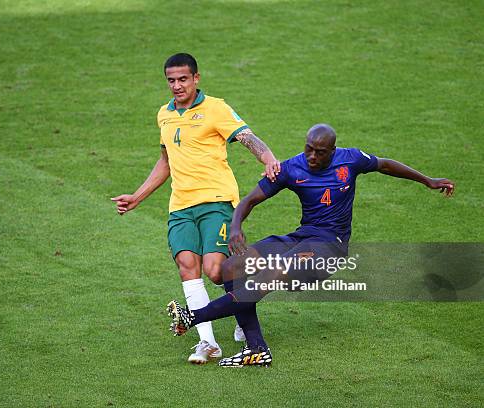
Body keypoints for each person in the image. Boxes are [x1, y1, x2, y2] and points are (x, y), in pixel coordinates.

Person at [166, 123, 455, 367]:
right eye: (309, 148)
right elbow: (249, 200)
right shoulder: (291, 168)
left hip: (330, 247)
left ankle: (193, 317)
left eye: (320, 152)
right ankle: (256, 348)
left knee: (271, 274)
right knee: (231, 268)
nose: (312, 156)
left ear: (332, 151)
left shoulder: (350, 160)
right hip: (302, 237)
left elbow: (385, 164)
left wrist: (427, 180)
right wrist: (236, 228)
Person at [111, 53, 281, 364]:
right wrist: (138, 196)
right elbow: (166, 161)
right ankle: (207, 343)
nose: (176, 85)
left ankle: (244, 301)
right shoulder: (164, 114)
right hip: (181, 207)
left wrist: (268, 159)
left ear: (196, 78)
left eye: (182, 79)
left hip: (216, 201)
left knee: (215, 271)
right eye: (171, 80)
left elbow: (247, 137)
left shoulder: (215, 108)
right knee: (187, 266)